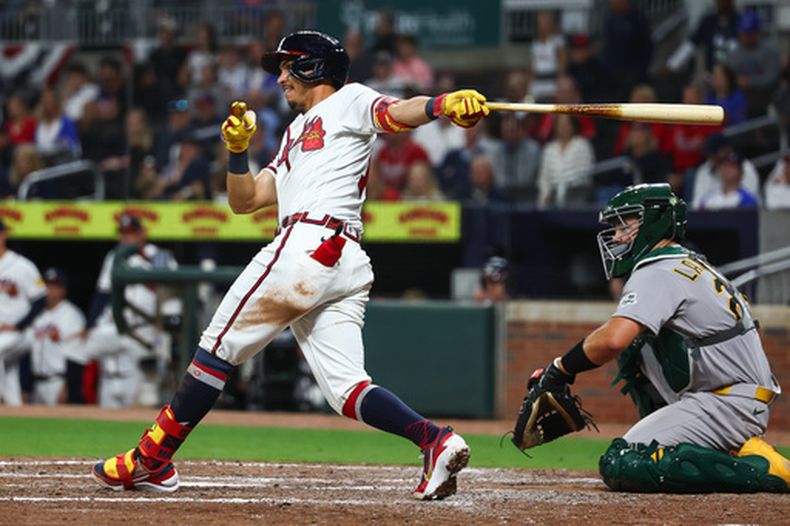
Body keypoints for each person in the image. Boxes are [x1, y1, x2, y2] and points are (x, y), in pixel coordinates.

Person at [92, 30, 488, 500]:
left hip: (310, 243)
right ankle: (435, 440)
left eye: (288, 65)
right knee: (347, 390)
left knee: (215, 347)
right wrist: (237, 151)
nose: (280, 77)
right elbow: (248, 200)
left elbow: (395, 113)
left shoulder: (350, 99)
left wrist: (441, 105)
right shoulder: (295, 131)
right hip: (338, 259)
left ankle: (149, 461)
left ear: (315, 67)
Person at [529, 182, 788, 493]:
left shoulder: (659, 268)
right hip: (730, 396)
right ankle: (723, 447)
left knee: (623, 462)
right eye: (615, 226)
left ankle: (764, 470)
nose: (618, 235)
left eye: (626, 224)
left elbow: (613, 339)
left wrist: (560, 369)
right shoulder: (688, 262)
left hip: (727, 402)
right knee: (639, 346)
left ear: (656, 221)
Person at [82, 213, 175, 408]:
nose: (125, 238)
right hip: (117, 326)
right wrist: (90, 324)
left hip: (145, 328)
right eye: (123, 233)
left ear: (142, 234)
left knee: (145, 387)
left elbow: (173, 293)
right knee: (82, 347)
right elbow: (102, 293)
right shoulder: (114, 255)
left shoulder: (159, 256)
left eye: (131, 233)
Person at [0, 219, 46, 405]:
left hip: (20, 332)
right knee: (8, 372)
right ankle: (15, 409)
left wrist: (18, 324)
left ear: (4, 235)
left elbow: (40, 299)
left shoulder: (22, 265)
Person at [29, 268, 85, 405]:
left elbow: (77, 354)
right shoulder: (35, 314)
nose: (49, 290)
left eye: (55, 286)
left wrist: (68, 386)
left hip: (57, 382)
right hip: (36, 383)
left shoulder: (71, 314)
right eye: (46, 285)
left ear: (64, 290)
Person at [537, 114, 595, 207]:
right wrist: (545, 196)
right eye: (560, 124)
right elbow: (544, 177)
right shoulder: (549, 148)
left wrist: (564, 188)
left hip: (577, 195)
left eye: (566, 124)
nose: (562, 127)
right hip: (552, 197)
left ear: (573, 125)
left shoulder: (582, 145)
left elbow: (584, 174)